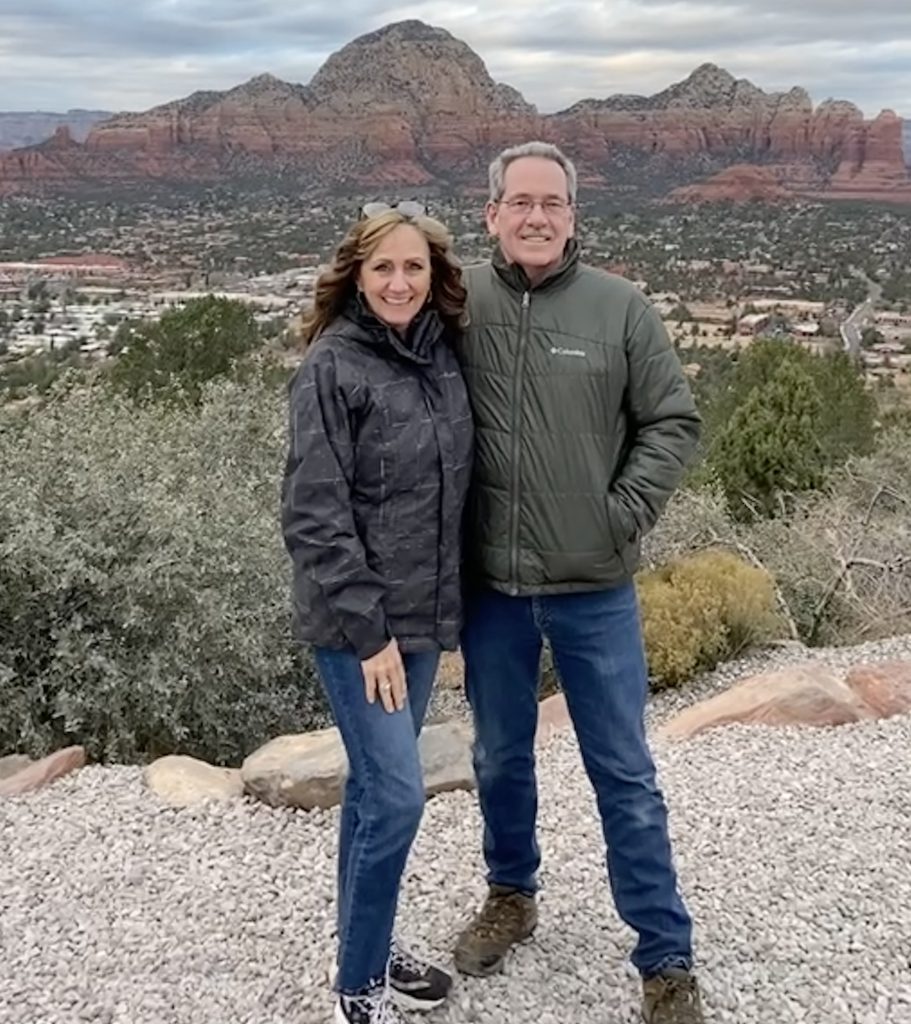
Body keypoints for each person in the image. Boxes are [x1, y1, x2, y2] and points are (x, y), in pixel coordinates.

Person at [452, 142, 705, 1024]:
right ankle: (510, 894)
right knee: (497, 756)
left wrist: (618, 514)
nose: (535, 216)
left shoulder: (619, 307)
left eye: (550, 203)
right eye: (518, 202)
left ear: (571, 215)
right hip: (491, 587)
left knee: (623, 772)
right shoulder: (458, 304)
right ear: (491, 214)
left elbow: (671, 421)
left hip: (594, 586)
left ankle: (664, 957)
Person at [280, 202, 474, 1024]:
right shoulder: (332, 366)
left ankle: (370, 941)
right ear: (356, 276)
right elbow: (312, 514)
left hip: (424, 616)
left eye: (413, 267)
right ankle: (356, 990)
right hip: (358, 627)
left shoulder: (442, 356)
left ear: (434, 277)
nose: (399, 282)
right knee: (396, 797)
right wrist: (371, 637)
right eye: (383, 267)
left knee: (370, 794)